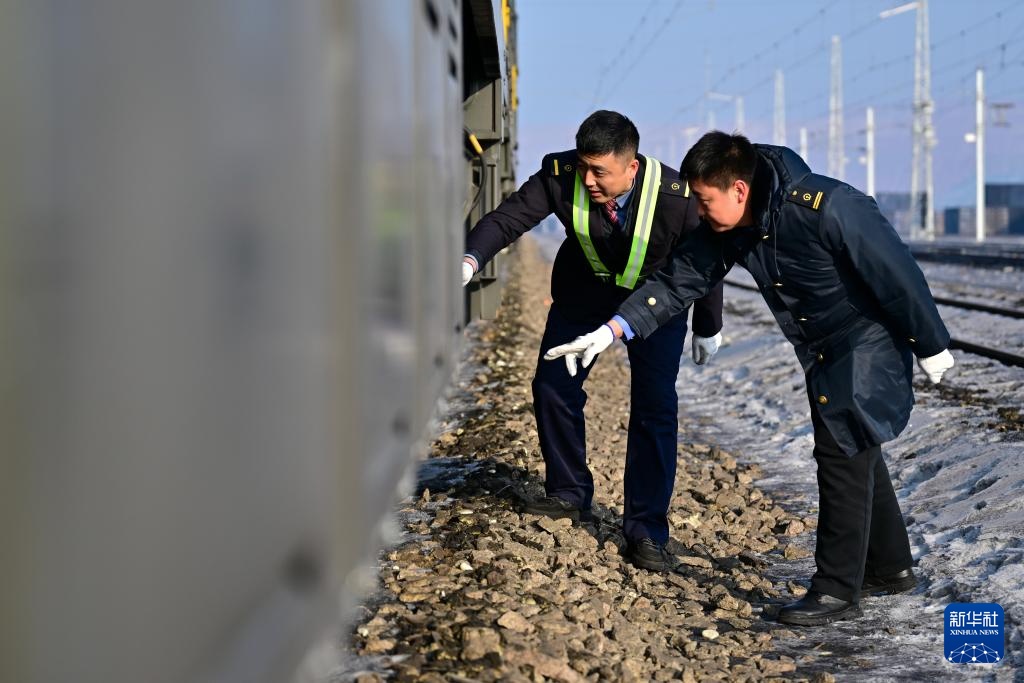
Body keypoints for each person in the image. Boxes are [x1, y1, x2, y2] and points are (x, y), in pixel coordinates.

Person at [545, 131, 955, 625]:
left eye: (704, 200)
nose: (699, 211)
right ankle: (890, 568)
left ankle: (835, 588)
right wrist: (612, 330)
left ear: (738, 189)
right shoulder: (731, 224)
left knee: (839, 447)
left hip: (866, 338)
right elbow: (678, 280)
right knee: (856, 440)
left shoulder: (828, 206)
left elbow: (897, 273)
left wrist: (930, 342)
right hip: (821, 344)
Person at [462, 111, 725, 572]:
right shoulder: (559, 175)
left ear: (632, 167)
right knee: (552, 386)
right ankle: (568, 493)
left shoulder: (677, 198)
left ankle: (646, 530)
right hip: (583, 296)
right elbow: (506, 220)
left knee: (654, 407)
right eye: (584, 167)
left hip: (654, 305)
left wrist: (708, 324)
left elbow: (703, 265)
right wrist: (468, 260)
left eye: (600, 171)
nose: (588, 180)